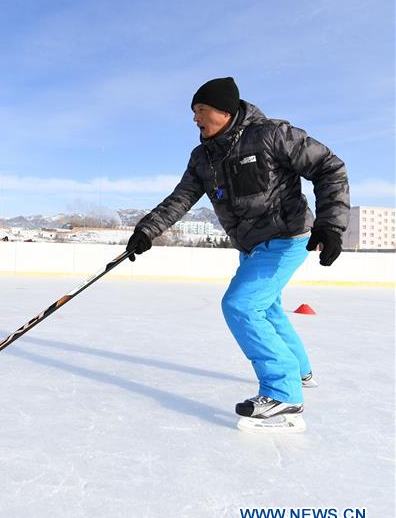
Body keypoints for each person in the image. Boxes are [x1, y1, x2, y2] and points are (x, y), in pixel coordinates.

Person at [125, 77, 349, 432]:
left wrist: (331, 225)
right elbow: (181, 198)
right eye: (193, 112)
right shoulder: (203, 157)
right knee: (267, 307)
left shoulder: (270, 134)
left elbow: (328, 167)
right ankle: (301, 371)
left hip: (286, 236)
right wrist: (147, 230)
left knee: (241, 306)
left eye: (201, 110)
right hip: (250, 245)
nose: (195, 119)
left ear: (225, 111)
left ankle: (283, 393)